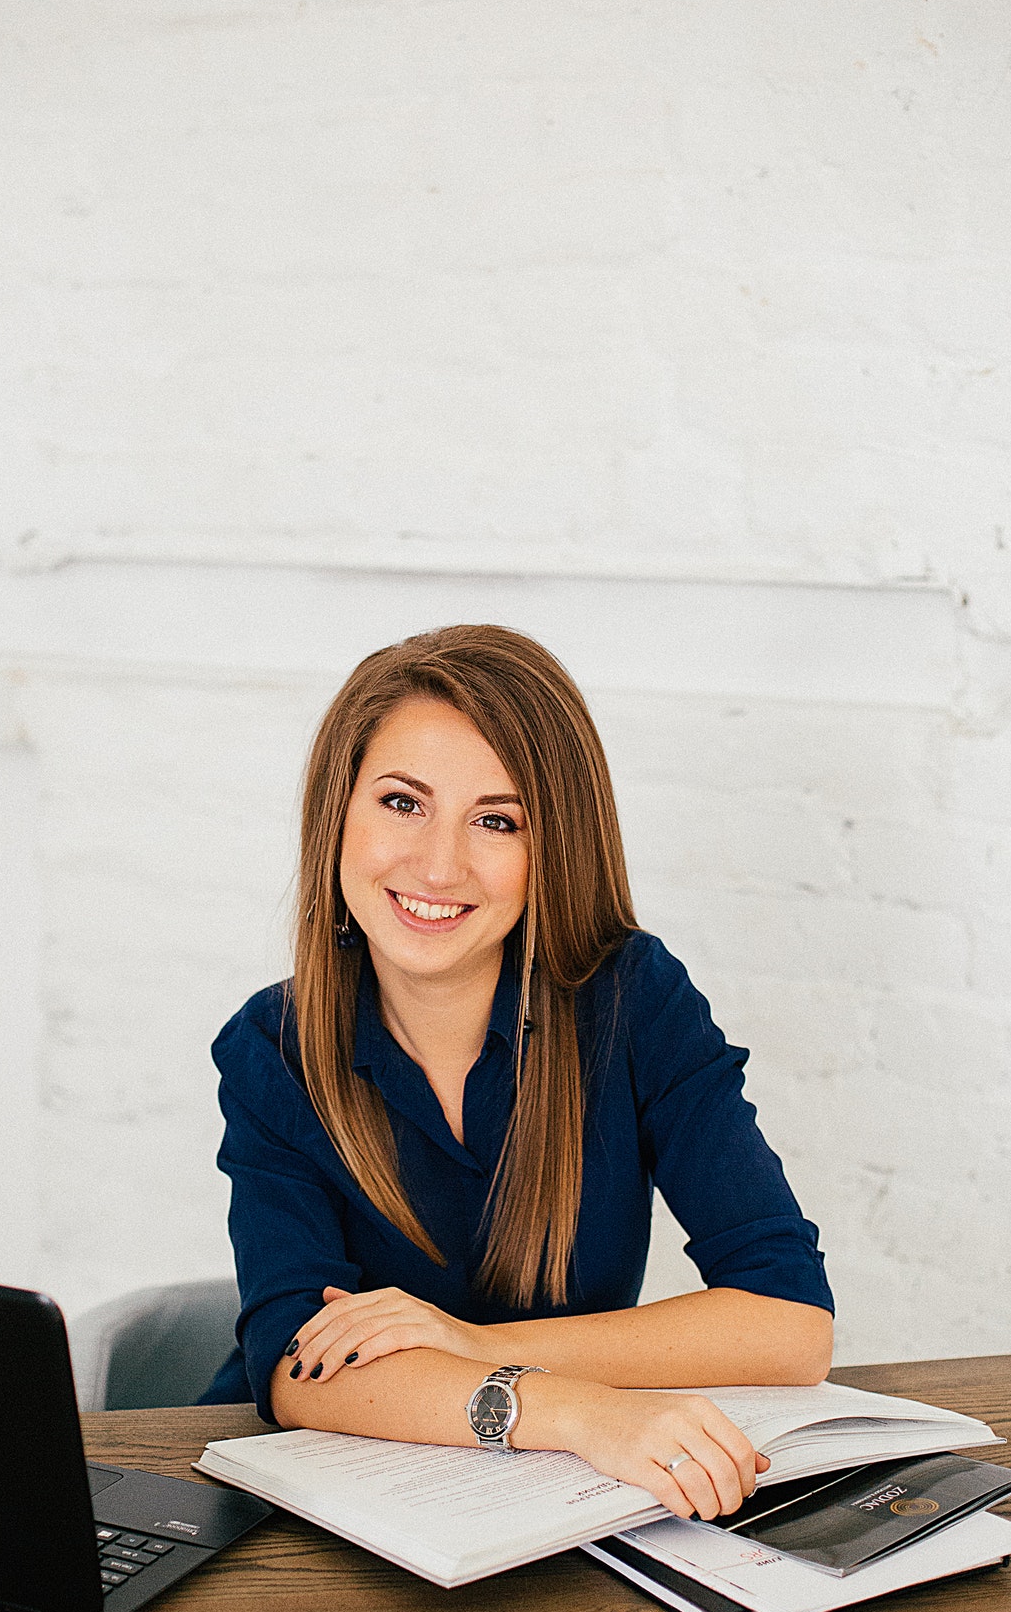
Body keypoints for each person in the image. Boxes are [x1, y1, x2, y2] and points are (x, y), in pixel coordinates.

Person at [200, 625, 834, 1521]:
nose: (438, 864)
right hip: (316, 1505)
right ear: (336, 811)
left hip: (543, 1515)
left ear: (552, 851)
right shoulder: (274, 1047)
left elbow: (789, 1321)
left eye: (496, 820)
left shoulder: (633, 1001)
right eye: (401, 802)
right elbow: (298, 1371)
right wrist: (571, 1408)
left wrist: (466, 1342)